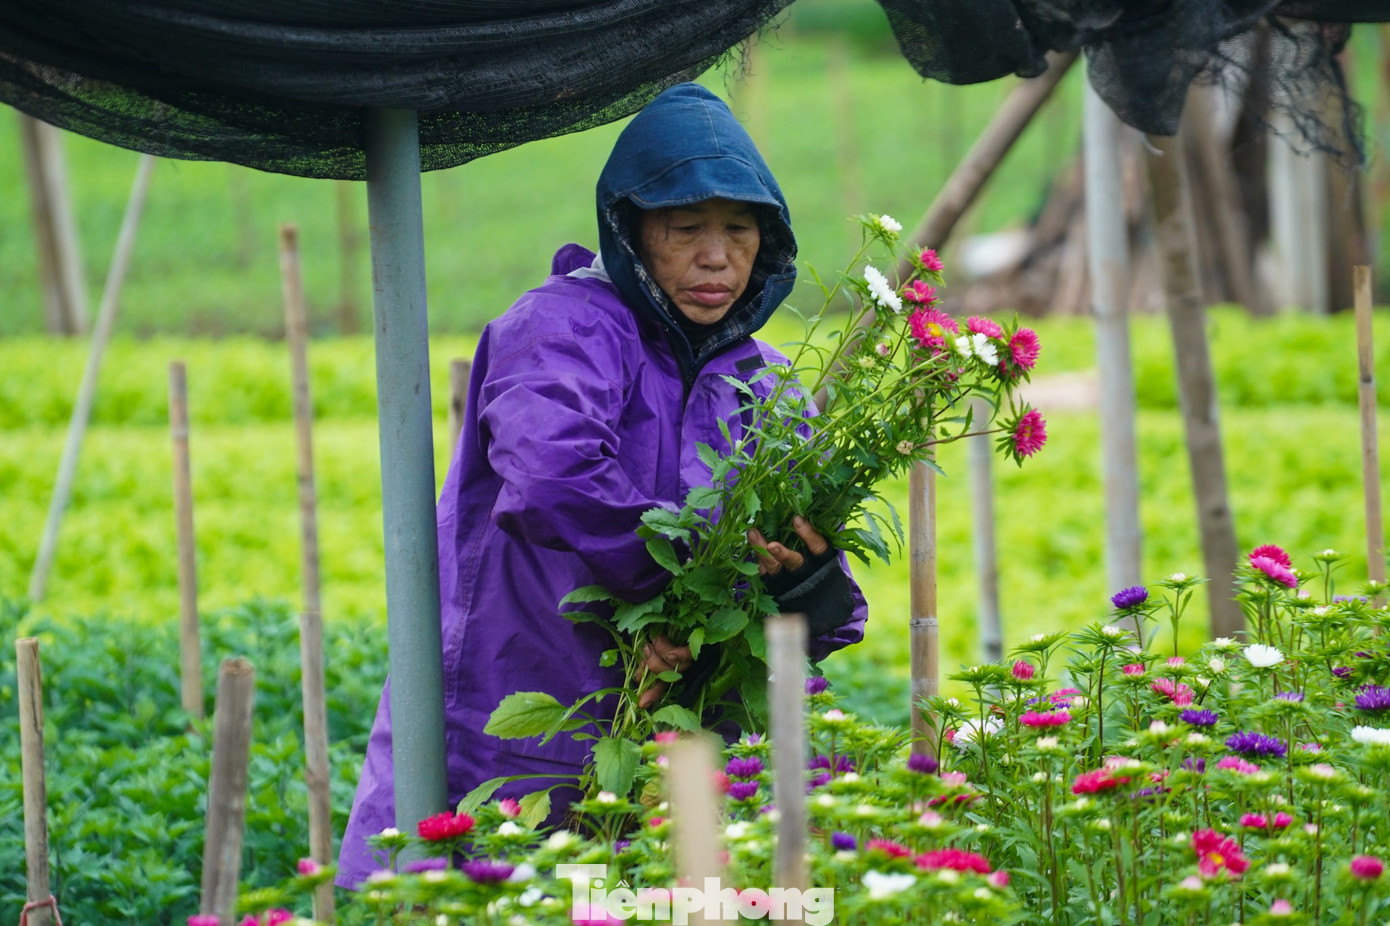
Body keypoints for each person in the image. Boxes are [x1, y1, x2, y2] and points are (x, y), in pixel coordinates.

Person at [337, 82, 867, 887]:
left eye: (739, 230)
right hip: (525, 707)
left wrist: (808, 591)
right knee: (479, 888)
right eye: (685, 229)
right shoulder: (563, 330)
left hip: (686, 737)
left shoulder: (767, 385)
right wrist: (683, 583)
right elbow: (551, 471)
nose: (717, 256)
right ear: (631, 233)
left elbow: (797, 567)